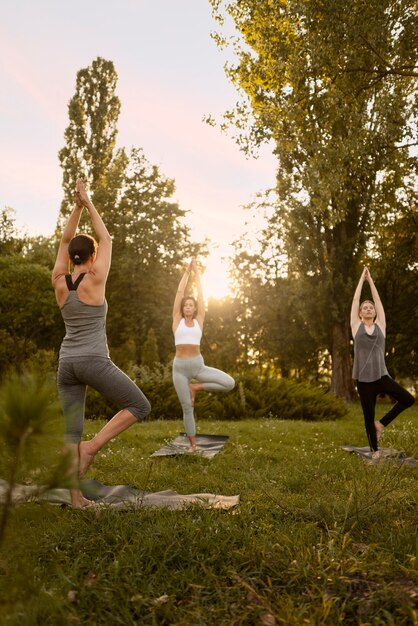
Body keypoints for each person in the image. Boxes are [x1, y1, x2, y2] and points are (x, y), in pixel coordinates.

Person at [52, 179, 151, 507]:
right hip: (93, 360)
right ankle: (92, 448)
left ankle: (76, 498)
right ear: (92, 257)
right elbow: (106, 237)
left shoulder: (59, 282)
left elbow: (67, 239)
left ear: (70, 257)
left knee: (70, 434)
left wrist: (75, 208)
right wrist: (88, 201)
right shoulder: (95, 279)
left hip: (67, 364)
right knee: (140, 406)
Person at [350, 266, 414, 458]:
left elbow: (378, 301)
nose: (368, 308)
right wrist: (362, 279)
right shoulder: (356, 326)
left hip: (381, 376)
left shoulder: (381, 326)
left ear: (375, 312)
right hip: (363, 380)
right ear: (360, 313)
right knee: (368, 417)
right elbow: (355, 300)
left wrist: (372, 282)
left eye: (371, 308)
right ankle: (374, 451)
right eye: (365, 308)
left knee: (408, 399)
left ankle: (382, 423)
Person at [172, 258, 235, 451]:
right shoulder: (177, 320)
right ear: (182, 309)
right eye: (186, 305)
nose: (188, 307)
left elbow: (201, 294)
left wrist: (197, 273)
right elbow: (180, 293)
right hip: (180, 370)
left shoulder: (199, 320)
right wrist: (187, 273)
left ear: (195, 308)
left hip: (198, 366)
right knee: (187, 408)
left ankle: (196, 388)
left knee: (229, 383)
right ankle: (192, 445)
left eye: (191, 305)